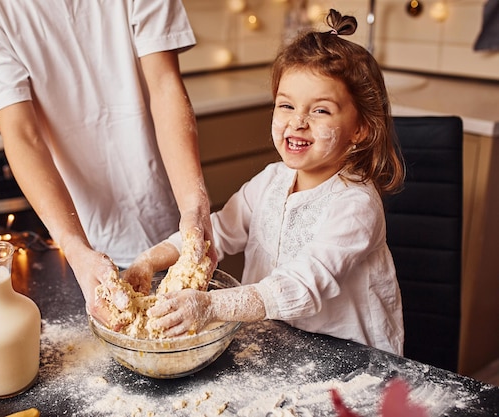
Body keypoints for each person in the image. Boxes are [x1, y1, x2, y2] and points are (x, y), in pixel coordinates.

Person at [123, 9, 405, 355]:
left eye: (320, 111)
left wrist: (211, 306)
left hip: (347, 361)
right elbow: (217, 231)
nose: (297, 121)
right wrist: (149, 261)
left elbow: (302, 286)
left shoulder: (356, 206)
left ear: (361, 128)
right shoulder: (272, 180)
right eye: (286, 105)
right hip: (275, 346)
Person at [0, 1, 215, 323]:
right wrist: (76, 249)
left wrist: (193, 205)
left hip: (172, 216)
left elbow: (165, 85)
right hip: (80, 238)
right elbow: (22, 134)